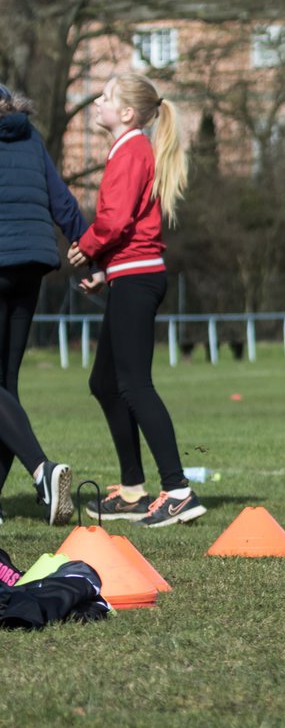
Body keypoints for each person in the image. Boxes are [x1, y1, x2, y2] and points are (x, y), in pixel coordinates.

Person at [66, 73, 205, 528]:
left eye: (105, 97)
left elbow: (115, 219)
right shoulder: (128, 149)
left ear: (126, 113)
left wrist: (87, 245)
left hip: (139, 279)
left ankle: (179, 490)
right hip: (129, 276)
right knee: (104, 383)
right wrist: (104, 270)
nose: (97, 103)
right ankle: (131, 490)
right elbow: (130, 226)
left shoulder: (130, 150)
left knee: (134, 385)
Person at [0, 83, 86, 526]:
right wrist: (92, 251)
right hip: (32, 261)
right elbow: (62, 200)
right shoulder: (28, 134)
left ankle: (41, 469)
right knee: (6, 387)